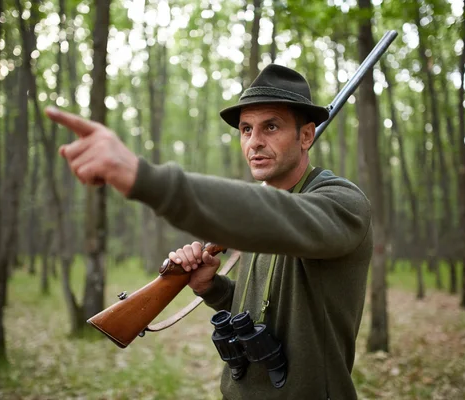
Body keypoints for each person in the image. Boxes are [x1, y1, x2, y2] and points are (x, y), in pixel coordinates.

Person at [47, 64, 373, 400]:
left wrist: (141, 177)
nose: (255, 142)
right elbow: (267, 310)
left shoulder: (342, 203)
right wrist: (212, 287)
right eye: (246, 129)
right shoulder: (264, 208)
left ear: (306, 135)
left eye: (271, 127)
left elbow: (279, 218)